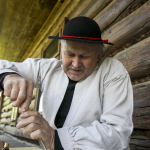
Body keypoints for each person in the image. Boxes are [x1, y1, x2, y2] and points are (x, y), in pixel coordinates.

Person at [0, 16, 133, 150]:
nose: (75, 64)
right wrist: (8, 76)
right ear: (62, 51)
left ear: (98, 55)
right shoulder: (49, 68)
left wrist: (54, 138)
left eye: (84, 56)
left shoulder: (112, 71)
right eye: (69, 54)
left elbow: (117, 133)